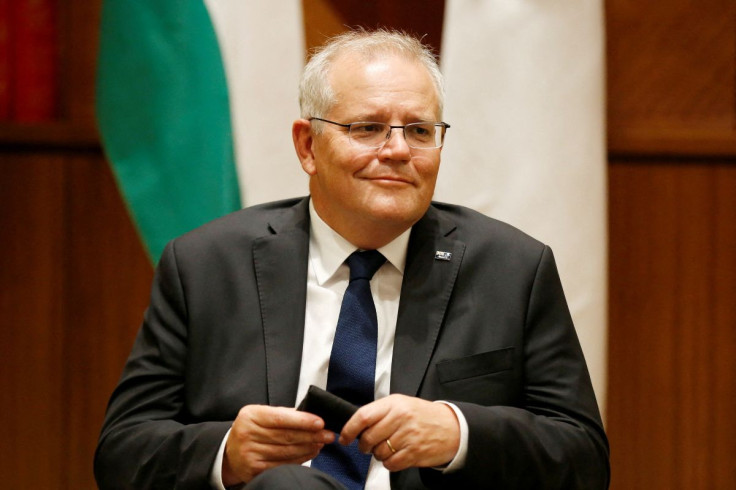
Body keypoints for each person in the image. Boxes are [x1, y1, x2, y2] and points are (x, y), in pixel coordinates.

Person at [94, 29, 609, 489]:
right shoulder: (206, 265)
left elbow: (583, 458)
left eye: (420, 131)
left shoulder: (512, 268)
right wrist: (228, 453)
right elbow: (122, 452)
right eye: (367, 128)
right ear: (308, 146)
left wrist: (459, 433)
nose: (398, 150)